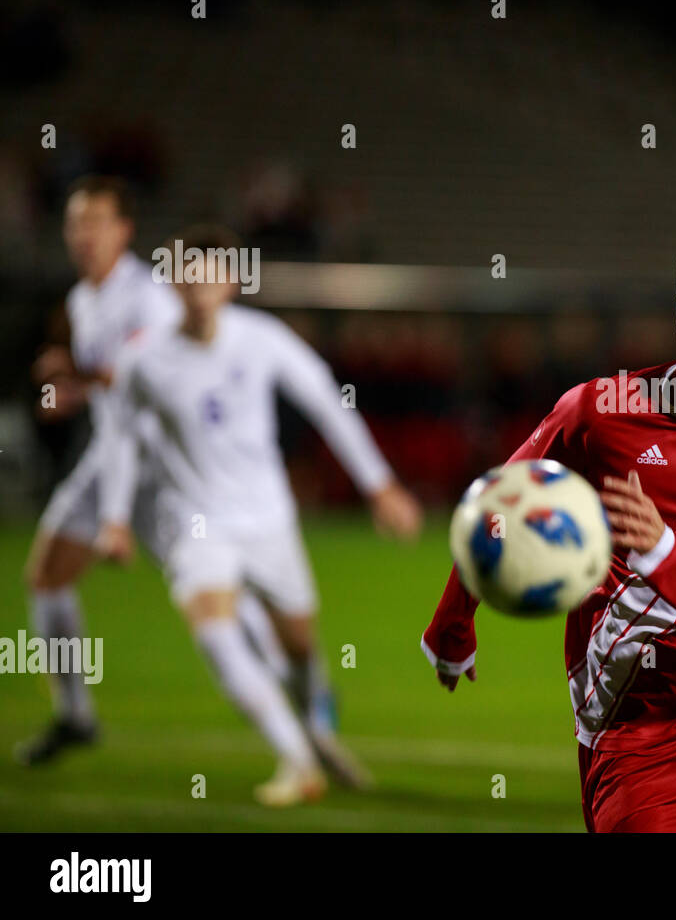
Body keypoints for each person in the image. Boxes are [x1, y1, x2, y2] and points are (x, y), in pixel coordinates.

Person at [422, 225, 676, 832]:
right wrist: (452, 624)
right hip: (636, 718)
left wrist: (661, 550)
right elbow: (498, 506)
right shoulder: (602, 410)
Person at [96, 225, 423, 804]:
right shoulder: (143, 359)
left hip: (269, 521)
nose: (198, 283)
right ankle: (297, 759)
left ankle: (316, 733)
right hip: (196, 523)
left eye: (210, 272)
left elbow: (327, 400)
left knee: (299, 647)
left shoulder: (261, 339)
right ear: (172, 281)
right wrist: (115, 518)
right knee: (217, 633)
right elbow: (120, 437)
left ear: (229, 280)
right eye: (186, 272)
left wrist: (380, 487)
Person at [17, 176, 181, 766]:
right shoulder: (85, 299)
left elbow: (147, 381)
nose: (84, 235)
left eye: (96, 222)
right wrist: (75, 391)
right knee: (47, 577)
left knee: (213, 600)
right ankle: (75, 716)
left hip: (161, 465)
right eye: (75, 223)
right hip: (109, 455)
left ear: (124, 230)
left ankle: (307, 697)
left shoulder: (150, 296)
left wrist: (79, 375)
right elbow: (107, 385)